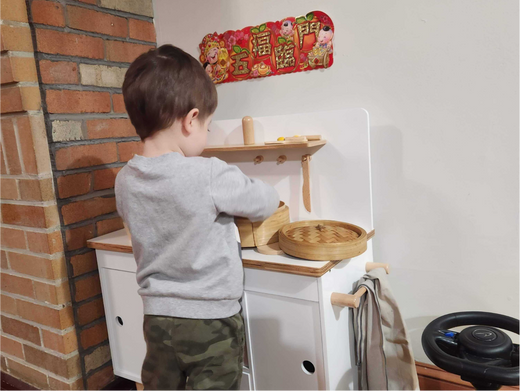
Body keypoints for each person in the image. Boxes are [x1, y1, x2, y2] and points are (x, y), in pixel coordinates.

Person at [115, 44, 279, 391]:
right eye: (207, 125)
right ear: (190, 120)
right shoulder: (207, 174)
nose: (206, 133)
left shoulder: (125, 179)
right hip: (211, 319)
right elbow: (263, 202)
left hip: (157, 318)